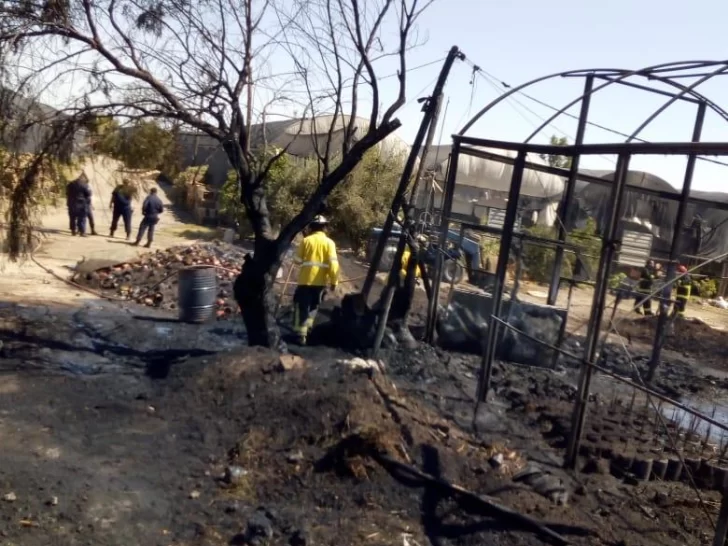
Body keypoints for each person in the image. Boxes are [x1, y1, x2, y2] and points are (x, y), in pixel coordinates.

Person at [292, 215, 339, 345]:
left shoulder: (306, 241)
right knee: (314, 306)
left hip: (304, 281)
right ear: (324, 227)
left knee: (301, 306)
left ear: (311, 227)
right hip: (320, 283)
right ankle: (307, 329)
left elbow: (297, 260)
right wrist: (334, 281)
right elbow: (333, 264)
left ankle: (300, 333)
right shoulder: (330, 243)